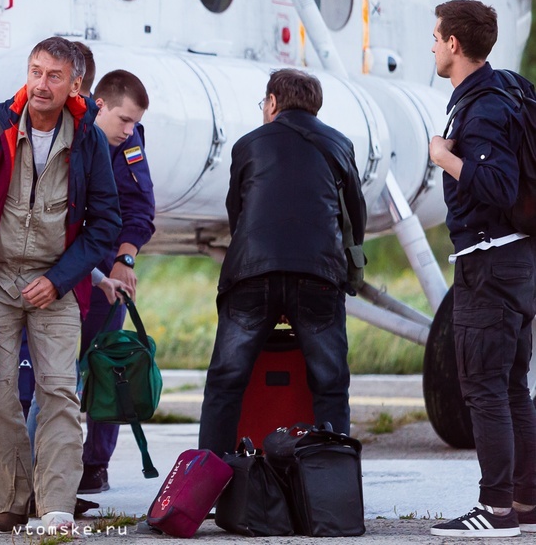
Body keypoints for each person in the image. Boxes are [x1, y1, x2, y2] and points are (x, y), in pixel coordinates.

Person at [0, 37, 121, 535]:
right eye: (35, 72)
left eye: (54, 76)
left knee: (59, 390)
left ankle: (56, 504)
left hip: (56, 283)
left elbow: (105, 223)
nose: (41, 84)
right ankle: (10, 502)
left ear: (75, 84)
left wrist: (59, 279)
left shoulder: (89, 139)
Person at [197, 68, 366, 458]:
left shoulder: (248, 144)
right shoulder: (339, 144)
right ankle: (330, 484)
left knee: (225, 381)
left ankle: (209, 482)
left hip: (252, 273)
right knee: (330, 384)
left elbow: (237, 214)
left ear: (272, 103)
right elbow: (355, 216)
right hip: (319, 275)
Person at [428, 0, 536, 538]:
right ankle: (524, 502)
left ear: (453, 44)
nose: (432, 45)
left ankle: (495, 511)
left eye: (436, 37)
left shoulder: (485, 106)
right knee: (512, 385)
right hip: (514, 262)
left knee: (485, 389)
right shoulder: (503, 91)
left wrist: (442, 155)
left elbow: (498, 185)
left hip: (490, 263)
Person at [78, 69, 155, 495]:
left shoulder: (128, 141)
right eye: (124, 121)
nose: (130, 131)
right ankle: (21, 456)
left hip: (105, 269)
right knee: (30, 369)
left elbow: (141, 205)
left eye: (133, 122)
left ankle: (95, 464)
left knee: (106, 366)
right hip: (60, 265)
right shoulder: (64, 127)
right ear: (98, 103)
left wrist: (125, 258)